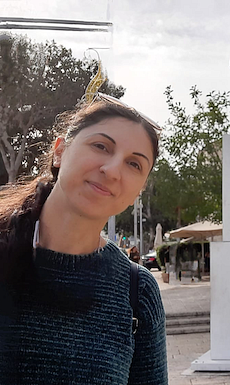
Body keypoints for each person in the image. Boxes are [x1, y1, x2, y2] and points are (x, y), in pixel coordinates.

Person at [0, 94, 167, 384]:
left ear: (137, 192)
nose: (112, 170)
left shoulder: (137, 292)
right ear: (60, 151)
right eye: (101, 146)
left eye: (134, 164)